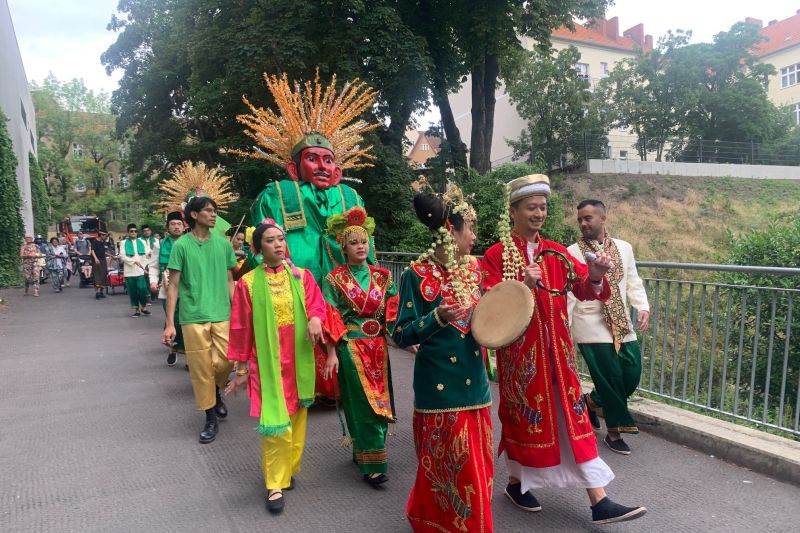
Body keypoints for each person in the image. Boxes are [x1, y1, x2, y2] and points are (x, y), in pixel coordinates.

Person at [481, 174, 646, 525]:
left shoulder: (556, 252)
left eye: (543, 207)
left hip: (559, 355)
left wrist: (598, 275)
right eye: (531, 207)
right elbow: (489, 306)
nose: (539, 213)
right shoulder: (496, 255)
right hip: (520, 358)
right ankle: (515, 483)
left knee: (574, 419)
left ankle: (599, 500)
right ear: (514, 211)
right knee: (523, 419)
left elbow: (585, 289)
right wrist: (522, 285)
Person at [234, 71, 379, 402]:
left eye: (329, 160)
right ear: (293, 167)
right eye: (312, 159)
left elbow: (367, 245)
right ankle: (302, 390)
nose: (323, 166)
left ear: (338, 169)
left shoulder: (349, 196)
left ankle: (345, 388)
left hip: (345, 285)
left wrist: (376, 281)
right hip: (297, 284)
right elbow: (260, 241)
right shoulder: (277, 193)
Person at [392, 184, 494, 533]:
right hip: (439, 389)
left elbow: (489, 320)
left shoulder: (475, 270)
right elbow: (401, 333)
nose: (475, 237)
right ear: (451, 230)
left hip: (476, 386)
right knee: (447, 465)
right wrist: (436, 318)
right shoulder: (415, 275)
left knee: (477, 466)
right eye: (471, 229)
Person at [226, 219, 329, 513]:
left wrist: (315, 319)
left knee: (297, 416)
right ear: (259, 248)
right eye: (271, 240)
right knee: (275, 422)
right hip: (266, 361)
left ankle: (288, 471)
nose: (279, 244)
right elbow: (241, 327)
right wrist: (242, 369)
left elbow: (317, 305)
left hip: (298, 356)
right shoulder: (248, 283)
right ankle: (274, 483)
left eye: (281, 239)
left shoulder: (302, 277)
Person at [322, 207, 398, 487]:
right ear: (343, 246)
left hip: (379, 348)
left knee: (380, 400)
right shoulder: (334, 279)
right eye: (353, 242)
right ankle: (374, 465)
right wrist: (332, 351)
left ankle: (363, 451)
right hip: (351, 347)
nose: (360, 247)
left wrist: (401, 335)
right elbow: (331, 315)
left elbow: (393, 309)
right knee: (363, 404)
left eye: (363, 241)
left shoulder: (382, 276)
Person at [567, 199, 650, 455]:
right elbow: (569, 294)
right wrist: (566, 331)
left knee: (631, 373)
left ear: (603, 218)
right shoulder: (572, 252)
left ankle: (590, 403)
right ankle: (614, 433)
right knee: (611, 377)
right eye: (580, 218)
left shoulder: (624, 248)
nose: (583, 223)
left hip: (621, 321)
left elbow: (633, 280)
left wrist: (643, 306)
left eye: (588, 218)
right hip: (589, 323)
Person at [163, 196, 237, 444]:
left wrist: (238, 311)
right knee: (201, 368)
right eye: (208, 210)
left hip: (222, 313)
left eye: (214, 211)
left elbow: (229, 280)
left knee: (227, 361)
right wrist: (170, 323)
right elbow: (173, 285)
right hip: (192, 315)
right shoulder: (181, 246)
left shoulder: (223, 245)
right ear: (194, 215)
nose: (213, 215)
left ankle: (216, 393)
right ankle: (209, 418)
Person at [153, 211, 186, 366]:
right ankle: (173, 349)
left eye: (179, 224)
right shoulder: (159, 245)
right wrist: (153, 281)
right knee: (172, 319)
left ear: (184, 227)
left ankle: (190, 356)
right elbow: (153, 266)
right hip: (167, 289)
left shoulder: (190, 243)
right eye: (173, 224)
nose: (176, 227)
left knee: (188, 322)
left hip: (188, 289)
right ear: (168, 228)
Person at [120, 224, 151, 317]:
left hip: (140, 270)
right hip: (129, 271)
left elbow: (146, 253)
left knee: (142, 289)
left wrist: (150, 254)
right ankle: (137, 310)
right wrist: (133, 261)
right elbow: (122, 256)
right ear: (128, 232)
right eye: (131, 231)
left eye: (135, 231)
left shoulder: (142, 242)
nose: (133, 233)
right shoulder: (123, 242)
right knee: (133, 291)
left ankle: (144, 307)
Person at [91, 230, 109, 299]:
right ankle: (97, 293)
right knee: (98, 276)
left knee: (104, 275)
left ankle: (101, 292)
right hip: (97, 261)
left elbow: (103, 252)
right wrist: (96, 259)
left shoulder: (102, 242)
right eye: (105, 236)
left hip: (103, 260)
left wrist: (111, 255)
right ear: (101, 235)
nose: (106, 237)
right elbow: (92, 251)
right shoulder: (94, 242)